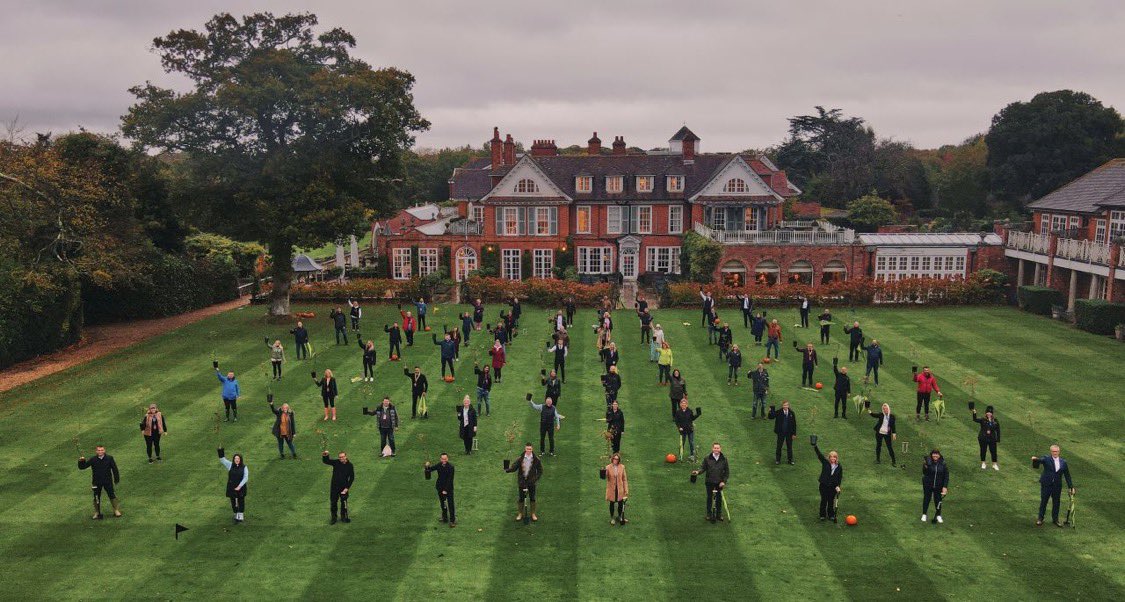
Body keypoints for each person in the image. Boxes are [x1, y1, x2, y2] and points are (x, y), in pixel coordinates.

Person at [1032, 445, 1075, 527]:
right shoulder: (1046, 459)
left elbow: (1067, 475)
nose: (1055, 453)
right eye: (1053, 451)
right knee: (1044, 501)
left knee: (1056, 503)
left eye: (1056, 451)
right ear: (1051, 452)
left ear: (1059, 452)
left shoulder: (1063, 462)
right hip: (1046, 484)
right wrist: (1035, 459)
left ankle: (1055, 519)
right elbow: (1040, 461)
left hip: (1057, 486)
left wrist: (1071, 487)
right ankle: (1040, 519)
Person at [78, 445, 121, 519]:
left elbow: (114, 469)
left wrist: (116, 479)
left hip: (107, 481)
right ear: (96, 451)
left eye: (102, 450)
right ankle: (97, 512)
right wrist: (81, 461)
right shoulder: (93, 459)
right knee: (96, 497)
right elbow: (83, 467)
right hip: (96, 482)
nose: (100, 452)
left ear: (104, 451)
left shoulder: (109, 458)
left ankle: (116, 510)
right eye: (98, 450)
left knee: (112, 495)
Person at [504, 444, 543, 522]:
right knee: (521, 498)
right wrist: (507, 469)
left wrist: (535, 479)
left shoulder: (536, 459)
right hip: (522, 482)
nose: (529, 450)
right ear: (525, 449)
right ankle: (520, 514)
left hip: (531, 482)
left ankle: (533, 514)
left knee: (532, 498)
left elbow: (540, 471)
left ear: (532, 449)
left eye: (530, 449)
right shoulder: (520, 458)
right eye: (527, 449)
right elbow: (514, 467)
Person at [692, 443, 729, 523]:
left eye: (718, 448)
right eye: (715, 448)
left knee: (719, 499)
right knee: (709, 498)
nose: (716, 449)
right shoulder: (707, 458)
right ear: (712, 449)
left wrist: (723, 482)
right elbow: (703, 468)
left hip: (719, 483)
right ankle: (709, 514)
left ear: (720, 449)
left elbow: (727, 472)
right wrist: (697, 472)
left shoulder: (724, 459)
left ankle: (718, 515)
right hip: (709, 482)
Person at [322, 449, 354, 524]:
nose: (341, 458)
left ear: (346, 457)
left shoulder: (350, 465)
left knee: (344, 503)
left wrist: (347, 488)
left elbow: (352, 477)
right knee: (333, 503)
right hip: (334, 487)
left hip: (344, 487)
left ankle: (343, 517)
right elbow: (327, 461)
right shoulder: (336, 462)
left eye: (343, 457)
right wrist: (325, 456)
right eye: (340, 457)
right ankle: (334, 518)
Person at [813, 443, 843, 522]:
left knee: (831, 501)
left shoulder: (839, 467)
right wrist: (815, 446)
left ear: (836, 458)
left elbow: (839, 477)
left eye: (834, 457)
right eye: (831, 457)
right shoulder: (825, 462)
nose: (833, 458)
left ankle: (831, 515)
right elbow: (819, 455)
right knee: (824, 500)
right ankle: (822, 515)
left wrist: (838, 486)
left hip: (833, 487)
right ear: (829, 457)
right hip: (824, 485)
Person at [217, 448, 248, 524]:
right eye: (235, 458)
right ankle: (236, 514)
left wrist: (239, 486)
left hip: (241, 487)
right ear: (233, 459)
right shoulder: (230, 465)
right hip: (232, 487)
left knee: (241, 500)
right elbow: (222, 460)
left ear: (240, 459)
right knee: (233, 501)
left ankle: (240, 515)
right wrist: (220, 451)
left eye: (238, 458)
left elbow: (245, 477)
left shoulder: (244, 467)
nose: (237, 460)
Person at [425, 453, 456, 526]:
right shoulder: (439, 465)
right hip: (440, 487)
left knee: (450, 504)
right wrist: (427, 466)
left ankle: (452, 520)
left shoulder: (451, 467)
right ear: (440, 459)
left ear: (447, 459)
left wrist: (445, 490)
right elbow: (430, 470)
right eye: (442, 459)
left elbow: (450, 480)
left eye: (445, 459)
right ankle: (444, 518)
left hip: (448, 489)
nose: (444, 460)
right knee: (443, 503)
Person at [921, 449, 949, 524]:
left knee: (938, 500)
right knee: (927, 498)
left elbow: (946, 475)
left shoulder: (943, 463)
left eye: (936, 454)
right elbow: (925, 472)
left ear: (939, 455)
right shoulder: (928, 462)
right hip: (928, 484)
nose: (935, 455)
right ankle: (924, 514)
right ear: (931, 455)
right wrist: (925, 466)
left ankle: (938, 515)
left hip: (938, 485)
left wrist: (945, 487)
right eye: (934, 454)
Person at [972, 405, 1001, 470]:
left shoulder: (995, 421)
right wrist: (974, 412)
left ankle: (994, 464)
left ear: (992, 413)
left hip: (992, 438)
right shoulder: (983, 419)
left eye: (990, 412)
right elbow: (975, 419)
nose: (989, 414)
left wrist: (998, 438)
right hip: (983, 438)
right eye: (987, 412)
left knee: (993, 451)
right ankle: (983, 463)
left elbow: (998, 430)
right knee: (983, 450)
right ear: (986, 413)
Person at [769, 400, 798, 465]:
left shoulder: (791, 413)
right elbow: (771, 417)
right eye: (784, 405)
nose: (785, 406)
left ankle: (790, 460)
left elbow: (794, 424)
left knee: (789, 447)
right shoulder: (779, 412)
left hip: (789, 433)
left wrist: (794, 434)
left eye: (786, 405)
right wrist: (770, 411)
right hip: (781, 432)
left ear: (788, 405)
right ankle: (778, 460)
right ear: (782, 406)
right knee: (779, 446)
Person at [604, 453, 629, 525]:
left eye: (617, 459)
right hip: (611, 489)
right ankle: (612, 518)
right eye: (614, 458)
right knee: (612, 503)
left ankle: (619, 516)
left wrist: (626, 489)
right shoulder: (608, 467)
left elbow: (624, 479)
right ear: (612, 459)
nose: (615, 460)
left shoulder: (622, 467)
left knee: (620, 503)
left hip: (620, 489)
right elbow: (605, 477)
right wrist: (603, 472)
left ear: (619, 460)